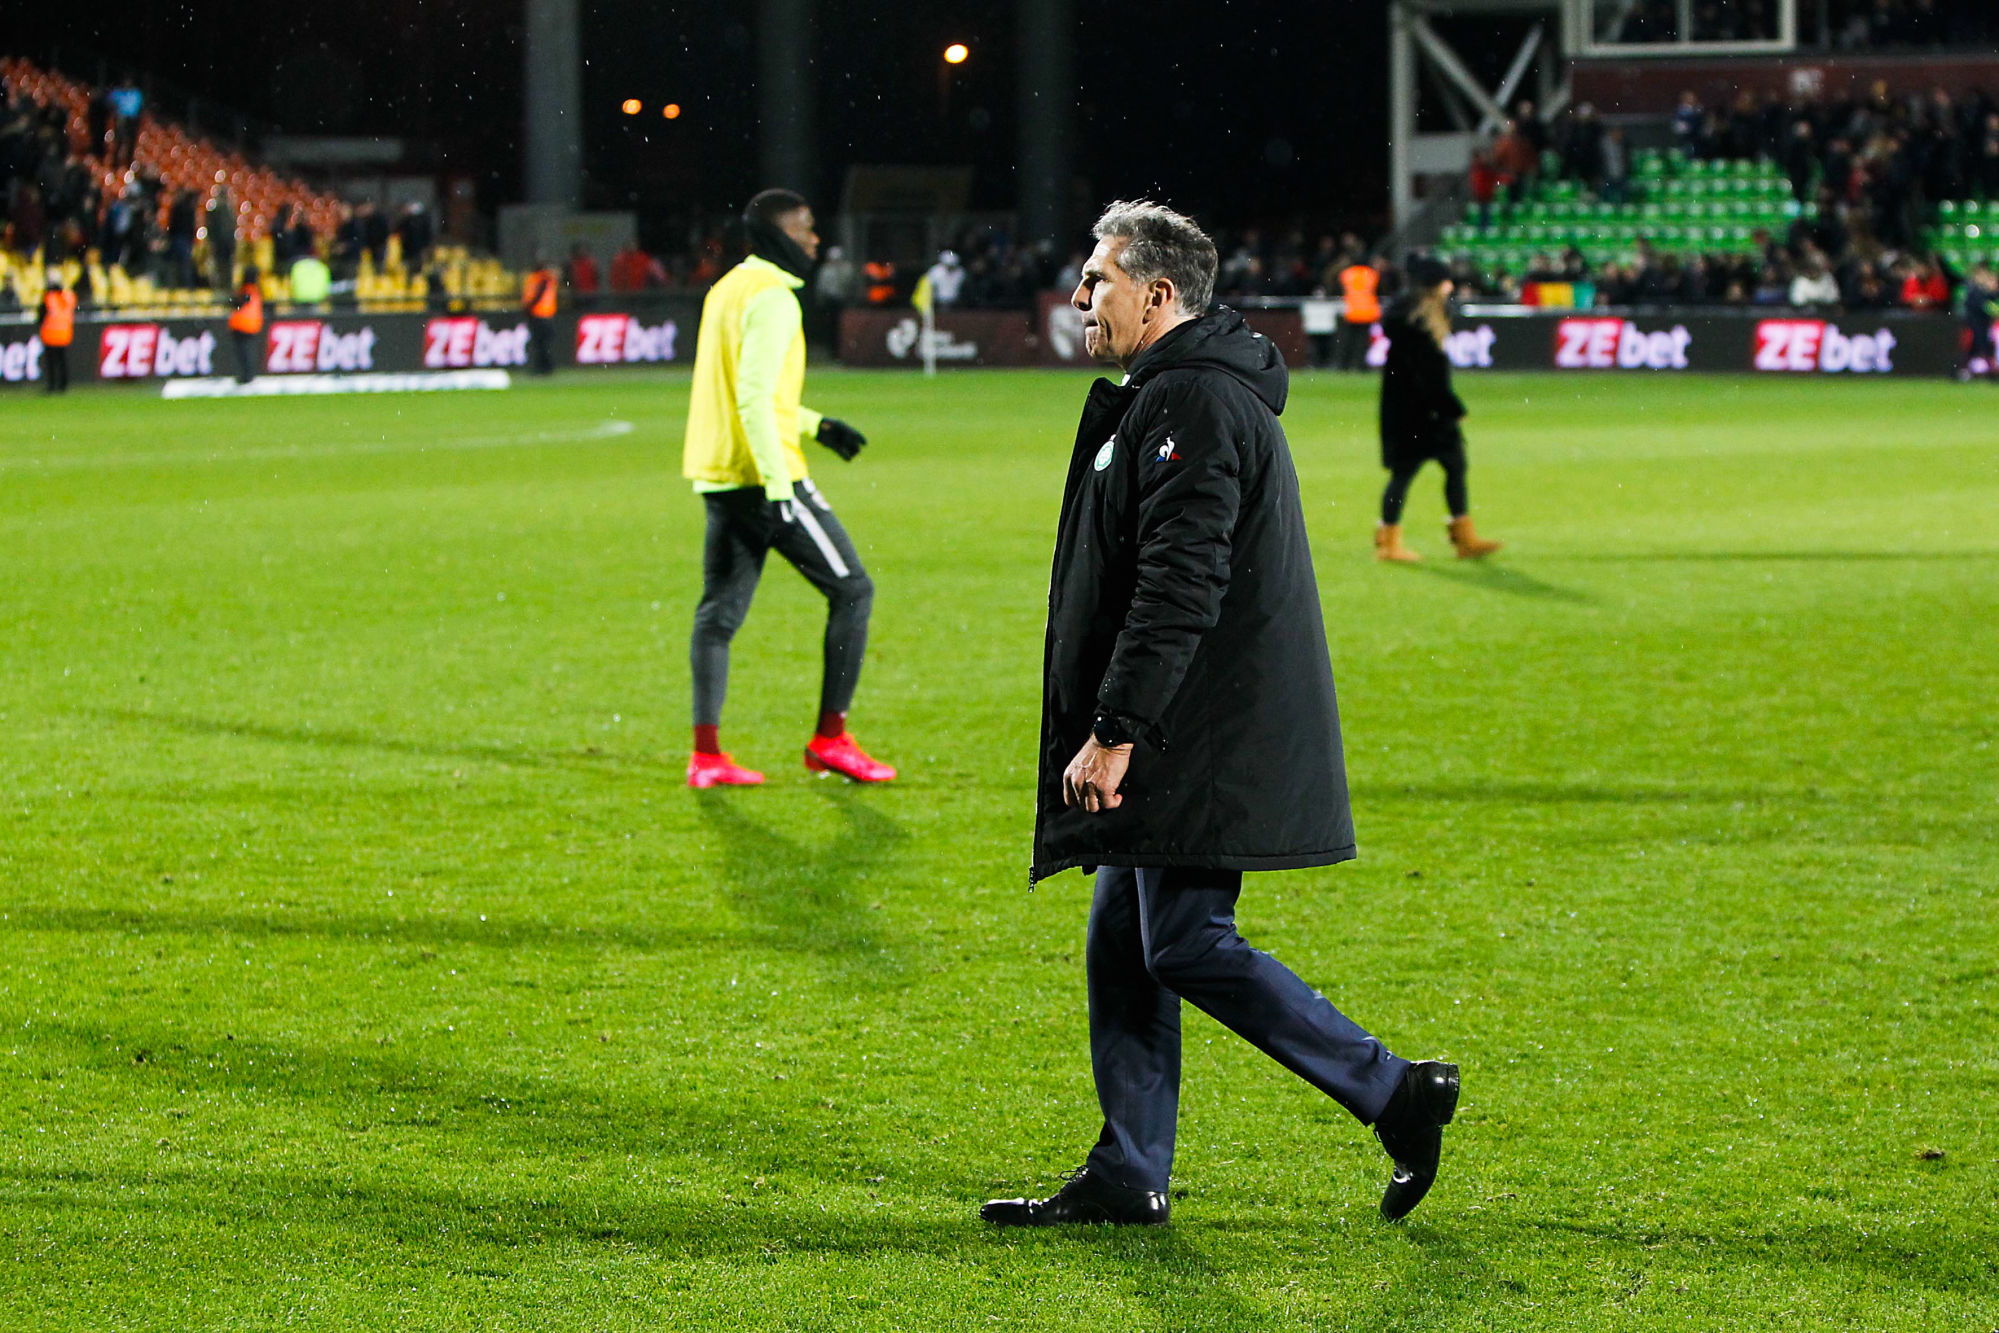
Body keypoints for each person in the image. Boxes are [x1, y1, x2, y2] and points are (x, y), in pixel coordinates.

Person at [981, 200, 1460, 1230]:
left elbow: (1180, 586)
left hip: (1196, 734)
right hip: (1184, 724)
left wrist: (1115, 730)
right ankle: (1129, 1166)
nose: (1078, 298)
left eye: (1097, 280)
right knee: (1123, 936)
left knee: (1185, 940)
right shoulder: (1169, 392)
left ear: (1158, 296)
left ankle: (1392, 1090)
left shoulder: (1192, 402)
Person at [680, 188, 893, 789]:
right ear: (778, 236)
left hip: (720, 475)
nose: (815, 239)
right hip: (766, 480)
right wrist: (780, 484)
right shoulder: (773, 299)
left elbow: (750, 396)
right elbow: (751, 396)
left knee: (717, 617)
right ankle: (831, 740)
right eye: (805, 229)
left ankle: (706, 756)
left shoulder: (727, 289)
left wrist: (816, 425)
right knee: (853, 591)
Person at [1375, 257, 1500, 562]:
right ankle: (1396, 542)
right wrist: (1450, 406)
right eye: (1445, 282)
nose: (1451, 287)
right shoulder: (1419, 325)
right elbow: (1427, 377)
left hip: (1413, 412)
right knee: (1414, 472)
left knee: (1445, 467)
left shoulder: (1411, 320)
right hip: (1421, 414)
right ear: (1433, 286)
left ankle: (1452, 536)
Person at [1335, 253, 1380, 371]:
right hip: (1368, 312)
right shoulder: (1372, 274)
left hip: (1351, 312)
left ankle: (1343, 364)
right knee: (1363, 341)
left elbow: (1339, 288)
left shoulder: (1346, 273)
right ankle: (1360, 365)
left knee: (1347, 340)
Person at [38, 274, 75, 395]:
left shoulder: (48, 298)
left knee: (51, 363)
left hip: (50, 335)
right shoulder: (69, 297)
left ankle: (52, 385)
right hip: (64, 335)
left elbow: (41, 316)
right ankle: (63, 385)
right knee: (62, 362)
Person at [227, 265, 264, 384]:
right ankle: (248, 375)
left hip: (241, 324)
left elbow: (237, 304)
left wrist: (232, 299)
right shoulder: (256, 291)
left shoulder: (246, 290)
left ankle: (246, 376)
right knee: (248, 352)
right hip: (251, 325)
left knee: (244, 353)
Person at [522, 257, 559, 375]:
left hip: (540, 314)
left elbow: (537, 295)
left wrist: (528, 308)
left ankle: (544, 367)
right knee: (542, 344)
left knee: (541, 344)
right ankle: (544, 367)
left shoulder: (542, 279)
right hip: (544, 314)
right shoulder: (543, 278)